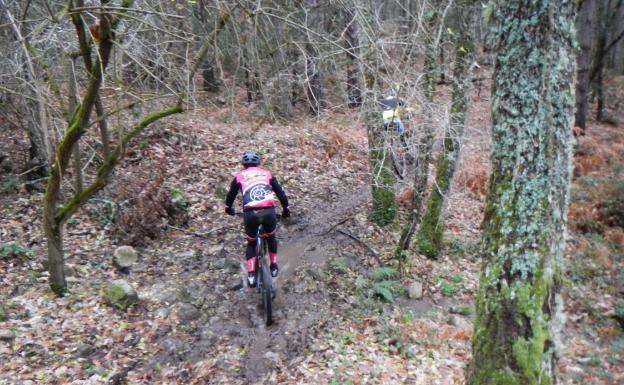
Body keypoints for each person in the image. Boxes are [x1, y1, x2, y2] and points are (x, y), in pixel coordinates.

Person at [224, 151, 290, 287]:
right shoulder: (267, 174)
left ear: (243, 165)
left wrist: (228, 208)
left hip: (250, 214)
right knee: (271, 237)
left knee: (252, 242)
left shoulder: (239, 176)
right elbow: (281, 194)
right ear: (258, 164)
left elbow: (230, 196)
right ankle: (273, 266)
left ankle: (251, 275)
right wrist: (286, 209)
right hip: (268, 211)